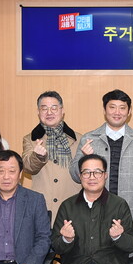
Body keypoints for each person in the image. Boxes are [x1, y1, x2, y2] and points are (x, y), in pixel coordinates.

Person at [72, 89, 133, 256]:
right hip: (94, 212)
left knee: (130, 261)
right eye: (112, 107)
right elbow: (75, 175)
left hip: (129, 212)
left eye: (122, 108)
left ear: (129, 112)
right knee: (96, 258)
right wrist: (83, 157)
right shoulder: (89, 138)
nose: (117, 112)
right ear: (104, 110)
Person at [22, 90, 81, 222]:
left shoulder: (79, 139)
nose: (49, 112)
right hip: (42, 208)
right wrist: (37, 156)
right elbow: (27, 167)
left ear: (62, 111)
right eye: (44, 108)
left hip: (72, 207)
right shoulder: (30, 139)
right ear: (38, 112)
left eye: (54, 108)